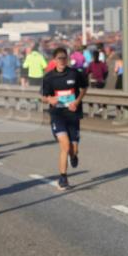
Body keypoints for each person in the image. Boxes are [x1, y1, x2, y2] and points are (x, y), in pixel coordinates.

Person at [41, 47, 88, 190]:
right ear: (54, 60)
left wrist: (77, 102)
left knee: (73, 149)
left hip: (73, 115)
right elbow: (43, 97)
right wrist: (50, 99)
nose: (62, 61)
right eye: (59, 58)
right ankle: (63, 177)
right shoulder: (49, 77)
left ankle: (73, 156)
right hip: (57, 115)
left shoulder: (75, 73)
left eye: (64, 58)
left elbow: (84, 88)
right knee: (65, 146)